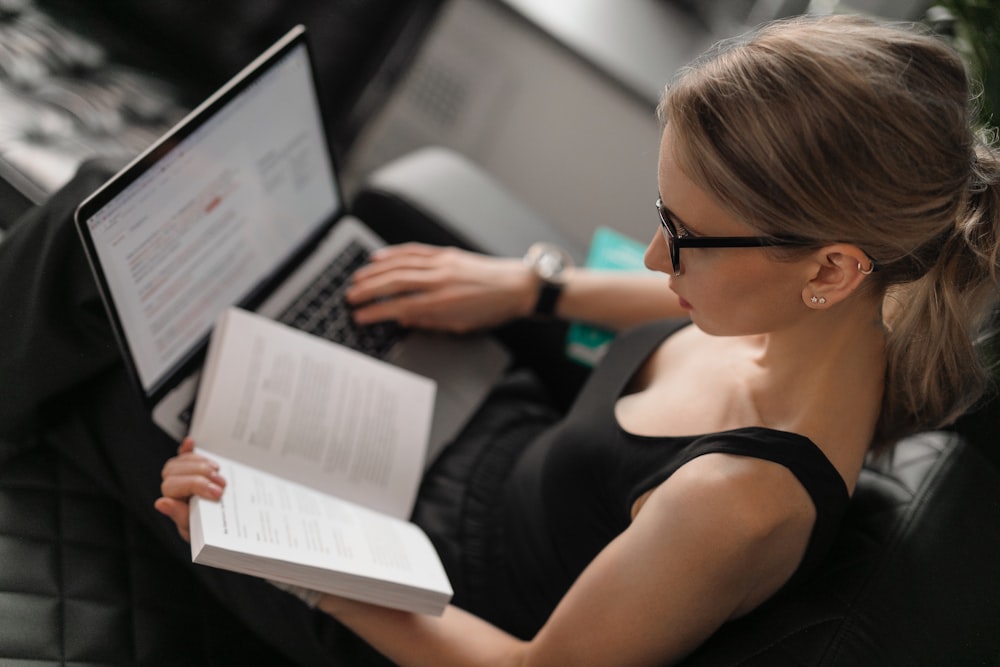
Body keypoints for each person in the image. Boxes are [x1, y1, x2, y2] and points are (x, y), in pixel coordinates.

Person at [7, 12, 996, 667]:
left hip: (397, 586)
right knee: (158, 236)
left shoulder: (734, 504)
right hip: (466, 423)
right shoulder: (815, 324)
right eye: (664, 210)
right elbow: (656, 302)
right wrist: (525, 284)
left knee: (94, 278)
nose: (656, 256)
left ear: (829, 268)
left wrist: (287, 554)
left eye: (687, 236)